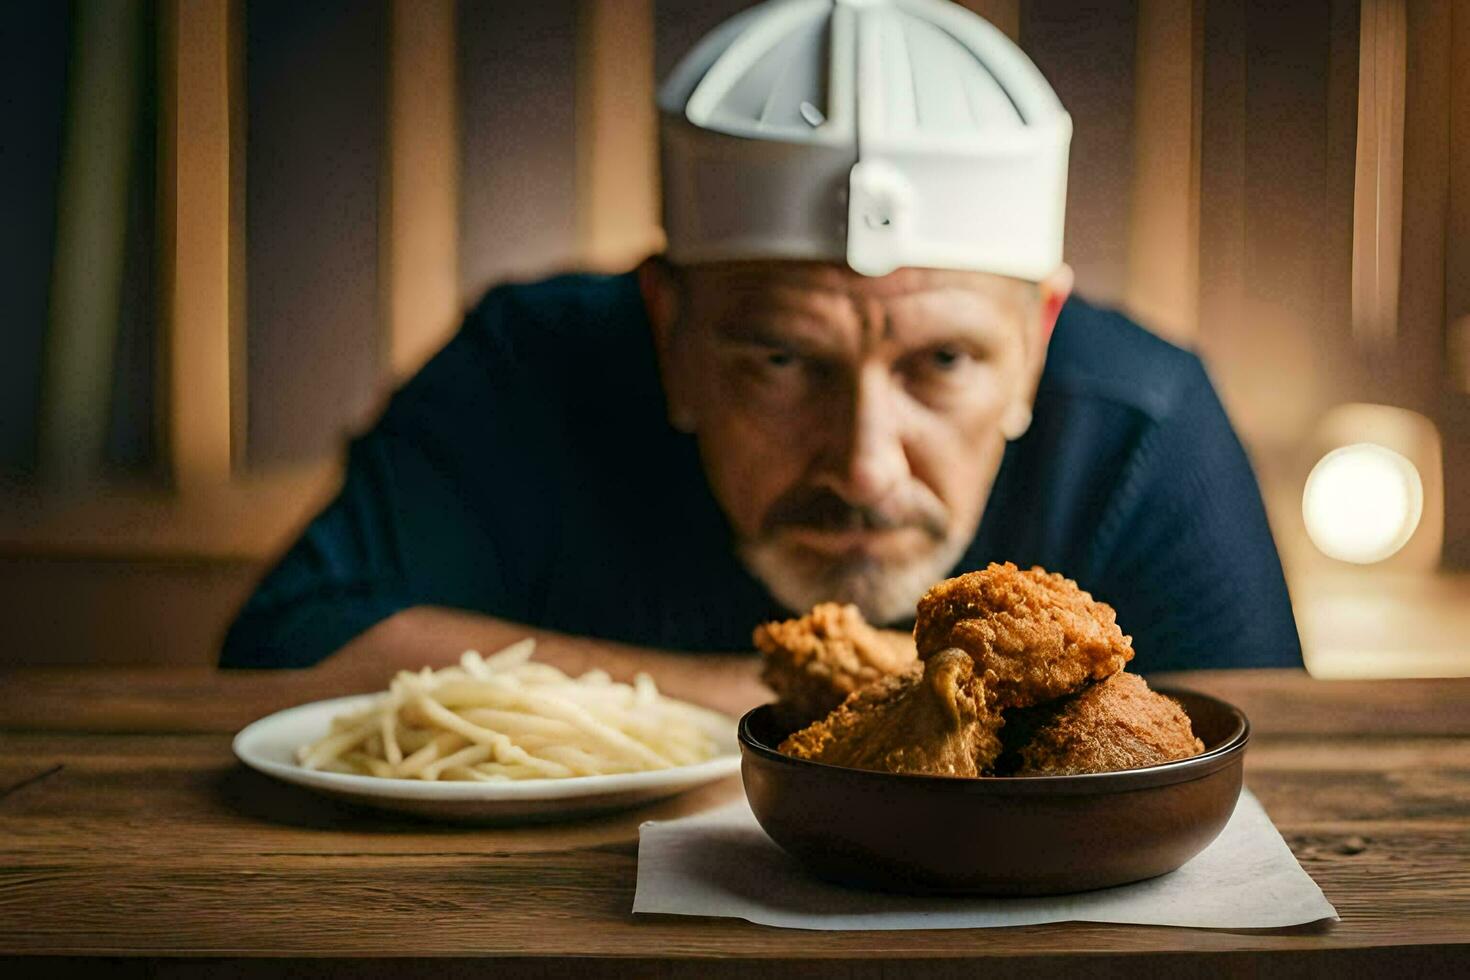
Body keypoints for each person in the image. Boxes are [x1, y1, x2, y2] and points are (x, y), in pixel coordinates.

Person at [221, 0, 1301, 706]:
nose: (866, 464)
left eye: (945, 364)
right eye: (783, 361)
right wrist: (777, 689)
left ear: (1037, 340)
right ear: (671, 332)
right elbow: (288, 650)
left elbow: (1284, 755)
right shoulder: (527, 370)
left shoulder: (1142, 421)